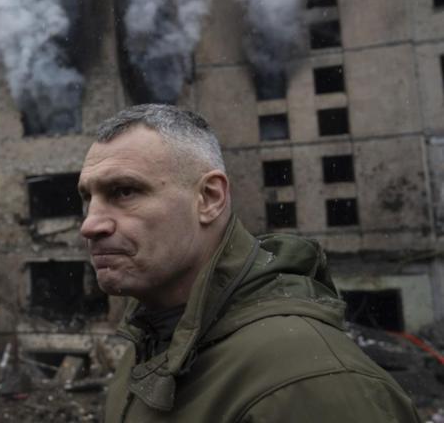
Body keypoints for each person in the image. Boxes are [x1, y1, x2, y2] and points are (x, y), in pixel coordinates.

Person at [77, 104, 421, 422]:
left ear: (209, 198)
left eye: (124, 192)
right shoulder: (142, 355)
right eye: (88, 198)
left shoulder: (310, 382)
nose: (90, 225)